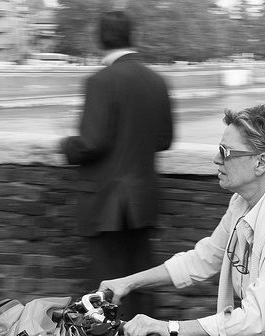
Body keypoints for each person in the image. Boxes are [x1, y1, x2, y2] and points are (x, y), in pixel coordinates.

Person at [99, 104, 265, 336]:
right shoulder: (244, 201)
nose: (216, 159)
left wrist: (169, 327)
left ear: (261, 163)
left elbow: (254, 318)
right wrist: (128, 282)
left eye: (225, 152)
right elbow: (203, 259)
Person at [60, 11, 173, 320]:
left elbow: (92, 142)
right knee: (140, 284)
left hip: (106, 202)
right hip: (143, 200)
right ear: (130, 37)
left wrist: (66, 145)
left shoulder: (100, 81)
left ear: (100, 40)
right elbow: (164, 140)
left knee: (105, 289)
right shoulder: (156, 80)